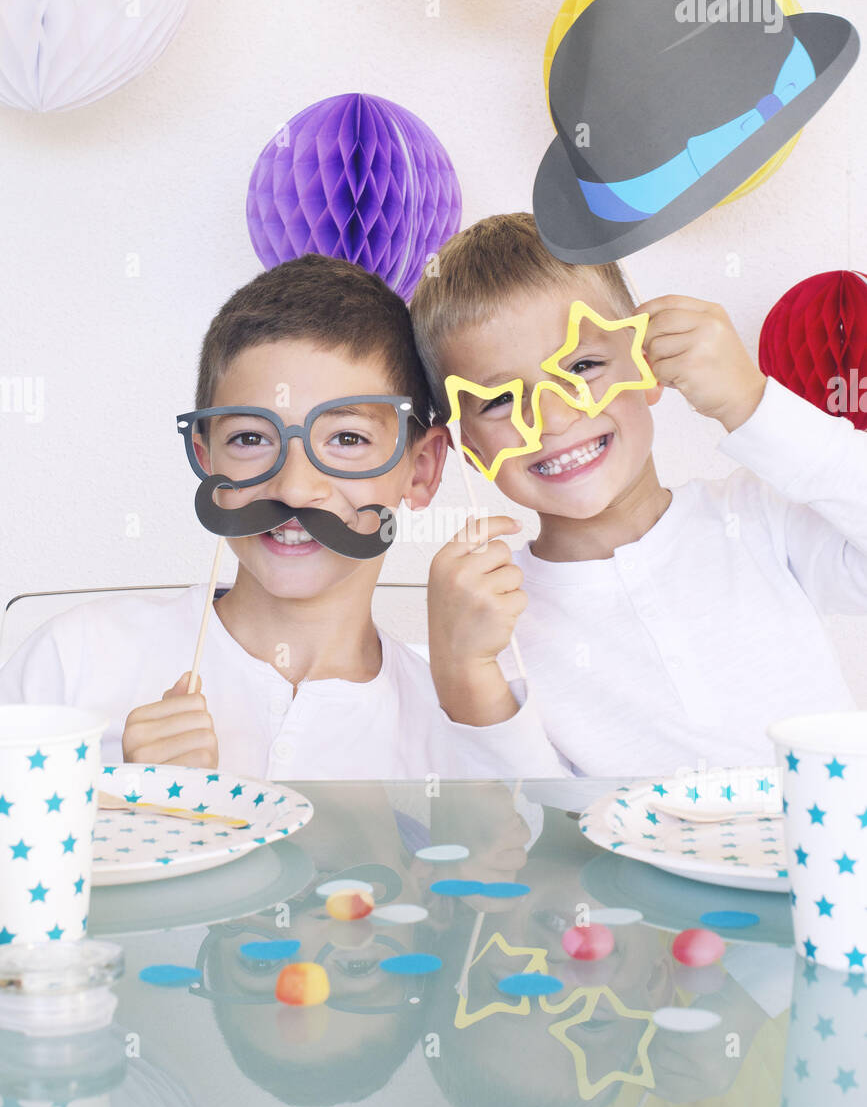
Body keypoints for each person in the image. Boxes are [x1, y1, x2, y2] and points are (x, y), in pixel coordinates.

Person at [0, 254, 564, 780]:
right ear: (206, 456)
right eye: (250, 438)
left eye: (347, 438)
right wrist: (127, 811)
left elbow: (526, 863)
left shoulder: (460, 721)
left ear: (421, 469)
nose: (295, 487)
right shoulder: (74, 663)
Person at [412, 212, 867, 776]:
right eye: (500, 400)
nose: (553, 417)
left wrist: (751, 404)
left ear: (648, 366)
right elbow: (523, 831)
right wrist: (465, 671)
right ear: (468, 446)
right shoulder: (493, 618)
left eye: (583, 365)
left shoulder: (761, 516)